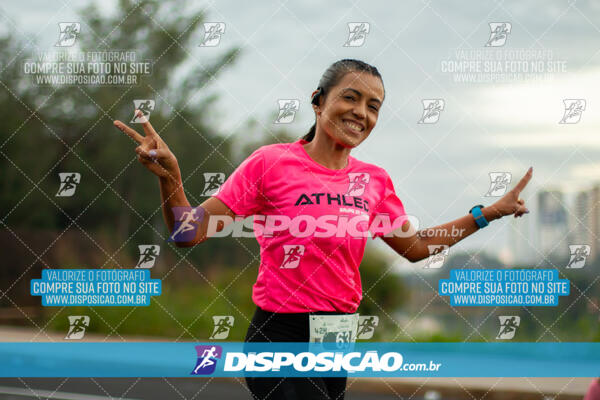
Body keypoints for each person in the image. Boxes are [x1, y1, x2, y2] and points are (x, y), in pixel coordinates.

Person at [113, 59, 532, 400]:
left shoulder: (374, 181)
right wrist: (171, 179)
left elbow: (418, 247)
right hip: (279, 333)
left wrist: (488, 213)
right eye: (350, 98)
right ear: (318, 101)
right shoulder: (270, 163)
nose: (361, 113)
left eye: (373, 106)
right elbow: (190, 232)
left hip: (337, 337)